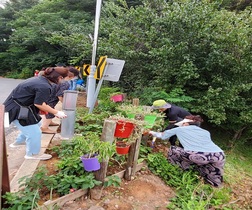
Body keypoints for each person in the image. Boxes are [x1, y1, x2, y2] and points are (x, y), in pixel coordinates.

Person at [4, 67, 69, 160]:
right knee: (35, 132)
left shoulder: (39, 79)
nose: (65, 81)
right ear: (59, 77)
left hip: (18, 106)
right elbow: (39, 103)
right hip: (17, 109)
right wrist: (57, 112)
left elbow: (37, 100)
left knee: (37, 123)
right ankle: (32, 154)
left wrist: (44, 108)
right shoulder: (44, 86)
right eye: (65, 78)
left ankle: (19, 141)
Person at [148, 119, 225, 187]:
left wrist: (150, 132)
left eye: (183, 123)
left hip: (196, 155)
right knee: (211, 171)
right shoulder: (206, 132)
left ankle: (177, 169)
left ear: (187, 123)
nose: (182, 124)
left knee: (173, 149)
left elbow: (162, 135)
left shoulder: (180, 129)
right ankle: (213, 185)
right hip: (218, 155)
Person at [40, 68, 78, 133]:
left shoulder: (58, 80)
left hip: (48, 96)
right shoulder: (65, 83)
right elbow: (59, 95)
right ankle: (44, 127)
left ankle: (50, 122)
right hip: (52, 98)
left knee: (48, 111)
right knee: (50, 111)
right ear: (72, 76)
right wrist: (64, 104)